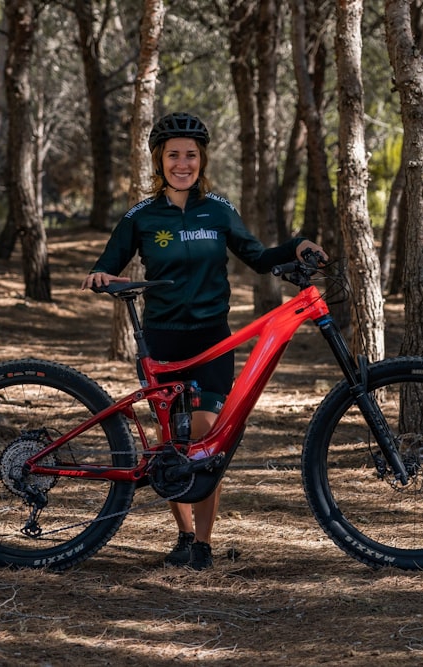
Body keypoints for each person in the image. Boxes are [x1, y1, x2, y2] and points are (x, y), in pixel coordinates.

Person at [81, 112, 326, 571]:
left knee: (205, 436)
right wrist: (101, 274)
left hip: (213, 339)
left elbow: (256, 257)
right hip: (162, 339)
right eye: (173, 154)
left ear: (201, 160)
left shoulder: (217, 209)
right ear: (160, 159)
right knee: (171, 439)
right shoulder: (141, 215)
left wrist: (295, 246)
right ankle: (183, 534)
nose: (182, 163)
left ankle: (204, 544)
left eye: (190, 155)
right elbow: (108, 262)